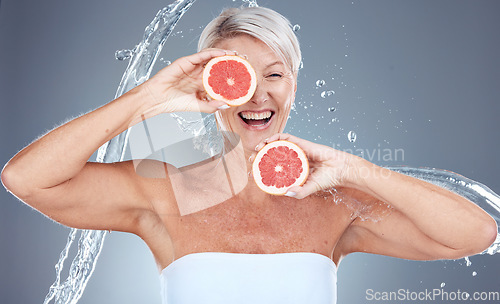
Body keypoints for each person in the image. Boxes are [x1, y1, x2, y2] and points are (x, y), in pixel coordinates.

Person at [1, 6, 496, 304]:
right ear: (210, 86)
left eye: (275, 75)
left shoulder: (339, 204)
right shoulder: (163, 190)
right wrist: (149, 98)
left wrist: (353, 169)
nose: (258, 96)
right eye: (239, 77)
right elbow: (27, 179)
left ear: (295, 86)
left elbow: (477, 233)